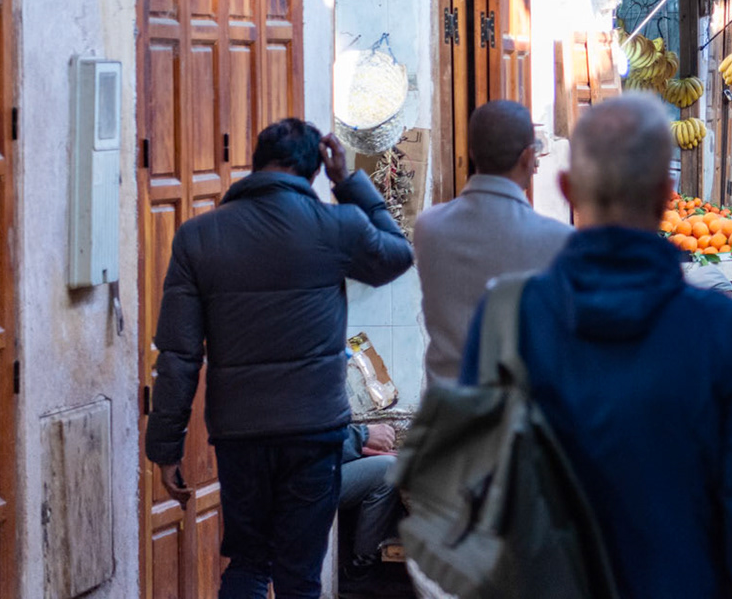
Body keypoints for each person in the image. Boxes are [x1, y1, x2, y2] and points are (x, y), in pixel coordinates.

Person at [458, 93, 732, 598]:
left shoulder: (508, 318)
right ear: (667, 193)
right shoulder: (716, 330)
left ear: (567, 188)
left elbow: (475, 499)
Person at [146, 120, 414, 599]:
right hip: (315, 433)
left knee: (249, 564)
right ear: (314, 170)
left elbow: (178, 356)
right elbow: (397, 254)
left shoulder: (198, 237)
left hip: (240, 433)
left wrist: (166, 448)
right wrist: (348, 181)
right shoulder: (337, 226)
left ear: (255, 161)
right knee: (299, 577)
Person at [414, 101, 572, 383]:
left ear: (472, 153)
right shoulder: (559, 241)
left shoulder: (429, 228)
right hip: (519, 417)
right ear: (528, 157)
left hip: (447, 413)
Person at [337, 422, 403, 595]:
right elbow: (309, 442)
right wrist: (362, 436)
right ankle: (359, 571)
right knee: (388, 469)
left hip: (314, 464)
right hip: (297, 476)